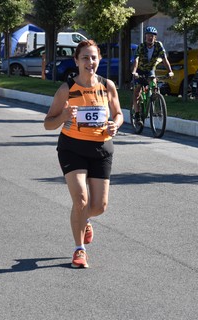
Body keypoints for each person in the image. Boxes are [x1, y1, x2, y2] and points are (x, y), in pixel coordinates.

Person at [44, 39, 123, 269]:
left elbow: (118, 114)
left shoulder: (107, 86)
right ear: (76, 61)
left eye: (94, 57)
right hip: (72, 148)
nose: (90, 62)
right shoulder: (66, 89)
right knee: (80, 199)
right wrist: (64, 117)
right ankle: (79, 250)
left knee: (99, 206)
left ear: (99, 60)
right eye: (85, 57)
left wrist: (115, 125)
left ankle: (85, 218)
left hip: (101, 149)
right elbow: (48, 124)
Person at [131, 26, 173, 120]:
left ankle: (155, 104)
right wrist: (134, 72)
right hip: (139, 70)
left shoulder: (159, 45)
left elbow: (164, 59)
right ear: (145, 36)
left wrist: (170, 71)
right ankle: (137, 114)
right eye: (148, 35)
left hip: (150, 70)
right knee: (137, 91)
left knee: (154, 86)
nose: (150, 37)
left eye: (152, 36)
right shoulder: (141, 47)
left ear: (155, 37)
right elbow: (136, 60)